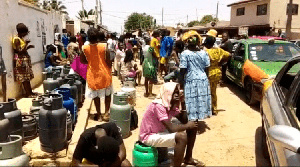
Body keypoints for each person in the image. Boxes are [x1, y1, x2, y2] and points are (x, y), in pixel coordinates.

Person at [139, 82, 204, 167]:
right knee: (182, 137)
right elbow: (171, 128)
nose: (176, 94)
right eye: (174, 92)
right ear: (167, 92)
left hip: (159, 132)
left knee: (193, 125)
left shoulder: (169, 103)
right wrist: (188, 125)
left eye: (177, 92)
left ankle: (188, 158)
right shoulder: (158, 105)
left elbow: (183, 119)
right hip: (148, 136)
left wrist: (182, 102)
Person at [179, 31, 211, 167]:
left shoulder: (185, 54)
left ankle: (186, 156)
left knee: (188, 119)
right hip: (203, 83)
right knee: (194, 119)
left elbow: (182, 73)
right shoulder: (204, 53)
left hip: (191, 84)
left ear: (186, 41)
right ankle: (188, 156)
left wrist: (180, 89)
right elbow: (207, 70)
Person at [80, 28, 112, 122]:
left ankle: (99, 115)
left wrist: (90, 62)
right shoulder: (104, 46)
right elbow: (109, 61)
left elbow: (82, 60)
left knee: (95, 95)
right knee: (108, 94)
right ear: (98, 36)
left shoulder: (84, 48)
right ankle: (106, 113)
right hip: (105, 73)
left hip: (92, 74)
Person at [204, 35, 231, 115]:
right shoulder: (219, 50)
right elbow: (229, 55)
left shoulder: (206, 52)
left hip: (208, 72)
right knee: (213, 91)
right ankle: (214, 109)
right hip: (217, 72)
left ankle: (207, 109)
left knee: (207, 92)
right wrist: (221, 62)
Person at [12, 23, 37, 98]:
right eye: (25, 33)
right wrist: (26, 44)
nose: (25, 34)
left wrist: (28, 46)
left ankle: (30, 92)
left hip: (24, 59)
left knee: (27, 77)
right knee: (24, 78)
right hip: (20, 60)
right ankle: (28, 93)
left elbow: (23, 49)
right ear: (20, 32)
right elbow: (19, 51)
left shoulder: (20, 39)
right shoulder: (16, 39)